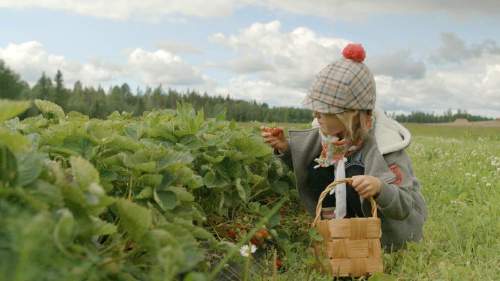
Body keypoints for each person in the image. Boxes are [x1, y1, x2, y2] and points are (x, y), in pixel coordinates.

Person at [261, 43, 427, 251]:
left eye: (324, 111)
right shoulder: (328, 136)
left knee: (355, 173)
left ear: (348, 116)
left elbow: (404, 204)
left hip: (387, 234)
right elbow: (308, 169)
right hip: (348, 225)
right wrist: (285, 149)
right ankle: (336, 232)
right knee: (322, 168)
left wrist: (380, 187)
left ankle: (370, 243)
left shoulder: (387, 149)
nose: (316, 116)